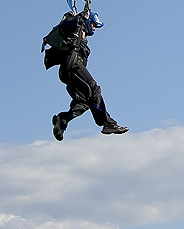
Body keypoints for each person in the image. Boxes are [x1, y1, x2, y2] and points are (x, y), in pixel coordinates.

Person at [42, 10, 128, 141]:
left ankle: (62, 120)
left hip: (69, 72)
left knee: (84, 102)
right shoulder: (74, 27)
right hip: (73, 66)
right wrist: (80, 18)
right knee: (93, 88)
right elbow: (66, 24)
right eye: (93, 24)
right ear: (87, 22)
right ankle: (108, 123)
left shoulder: (81, 36)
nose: (93, 28)